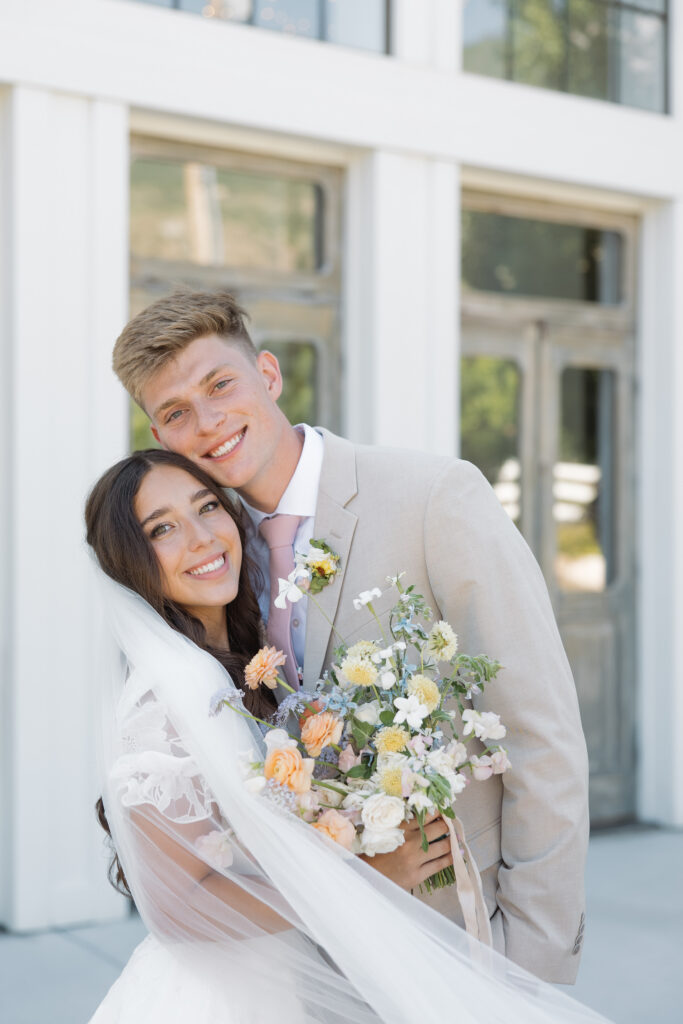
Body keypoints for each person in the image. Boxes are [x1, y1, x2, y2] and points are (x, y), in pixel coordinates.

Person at [111, 289, 590, 983]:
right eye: (177, 412)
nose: (208, 422)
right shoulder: (212, 561)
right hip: (319, 969)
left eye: (220, 385)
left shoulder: (433, 497)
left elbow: (541, 736)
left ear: (268, 375)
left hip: (467, 941)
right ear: (161, 436)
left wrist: (533, 966)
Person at [84, 448, 606, 1024]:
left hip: (291, 980)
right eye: (162, 529)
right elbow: (177, 910)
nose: (202, 537)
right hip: (222, 1000)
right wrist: (364, 877)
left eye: (207, 507)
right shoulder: (162, 702)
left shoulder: (238, 669)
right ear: (129, 562)